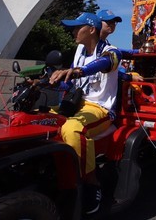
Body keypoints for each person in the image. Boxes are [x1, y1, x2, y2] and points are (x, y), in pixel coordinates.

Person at [50, 12, 122, 215]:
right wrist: (47, 81)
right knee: (40, 116)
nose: (73, 31)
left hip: (101, 109)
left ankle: (90, 183)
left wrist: (79, 71)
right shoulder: (80, 50)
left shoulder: (111, 51)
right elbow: (70, 80)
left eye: (77, 27)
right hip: (78, 103)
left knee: (73, 128)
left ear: (91, 30)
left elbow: (105, 63)